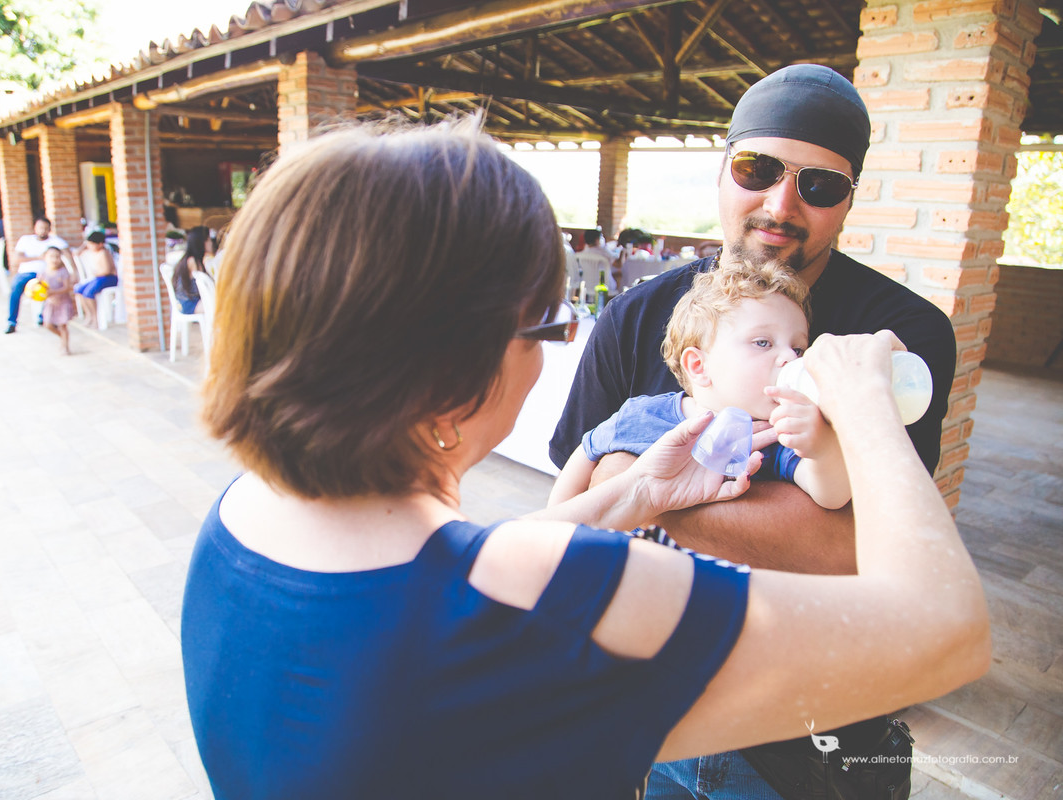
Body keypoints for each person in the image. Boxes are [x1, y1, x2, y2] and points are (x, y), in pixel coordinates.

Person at [180, 119, 988, 800]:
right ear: (456, 368)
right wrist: (865, 409)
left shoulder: (238, 520)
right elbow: (944, 634)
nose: (547, 354)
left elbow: (470, 574)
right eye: (547, 324)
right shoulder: (554, 595)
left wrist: (634, 495)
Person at [549, 64, 960, 798]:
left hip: (802, 726)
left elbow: (864, 550)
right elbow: (570, 507)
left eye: (820, 185)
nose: (780, 204)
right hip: (648, 694)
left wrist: (639, 493)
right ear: (722, 169)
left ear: (849, 200)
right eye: (757, 169)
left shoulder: (900, 337)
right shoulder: (636, 316)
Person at [551, 259, 849, 512]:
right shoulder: (645, 415)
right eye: (763, 342)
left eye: (797, 348)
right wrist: (556, 527)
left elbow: (832, 496)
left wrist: (822, 448)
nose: (790, 358)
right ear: (698, 366)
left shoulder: (777, 434)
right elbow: (587, 451)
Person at [6, 216, 72, 334]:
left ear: (50, 229)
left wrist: (74, 271)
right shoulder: (25, 240)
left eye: (46, 228)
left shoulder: (55, 241)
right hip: (26, 274)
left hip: (47, 274)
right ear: (35, 228)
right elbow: (16, 259)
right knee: (16, 287)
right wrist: (39, 257)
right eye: (40, 228)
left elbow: (68, 255)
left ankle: (44, 316)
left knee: (52, 286)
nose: (43, 230)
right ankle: (12, 322)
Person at [73, 230, 118, 327]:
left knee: (88, 292)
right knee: (78, 289)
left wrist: (96, 273)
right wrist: (84, 245)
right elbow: (77, 253)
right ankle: (89, 315)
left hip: (108, 278)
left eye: (91, 244)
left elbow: (107, 270)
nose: (89, 246)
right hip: (98, 278)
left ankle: (95, 317)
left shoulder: (103, 253)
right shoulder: (93, 252)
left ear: (100, 244)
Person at [38, 247, 76, 355]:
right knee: (47, 324)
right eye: (51, 256)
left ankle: (65, 346)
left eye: (57, 257)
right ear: (45, 257)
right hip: (50, 303)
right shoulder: (43, 273)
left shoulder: (63, 272)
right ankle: (63, 338)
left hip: (63, 303)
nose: (54, 259)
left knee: (62, 325)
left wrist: (53, 292)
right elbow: (39, 287)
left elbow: (67, 287)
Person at [172, 226, 209, 314]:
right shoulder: (193, 262)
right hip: (189, 303)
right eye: (208, 240)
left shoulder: (191, 259)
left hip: (189, 301)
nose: (210, 243)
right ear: (201, 243)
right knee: (217, 305)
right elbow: (205, 285)